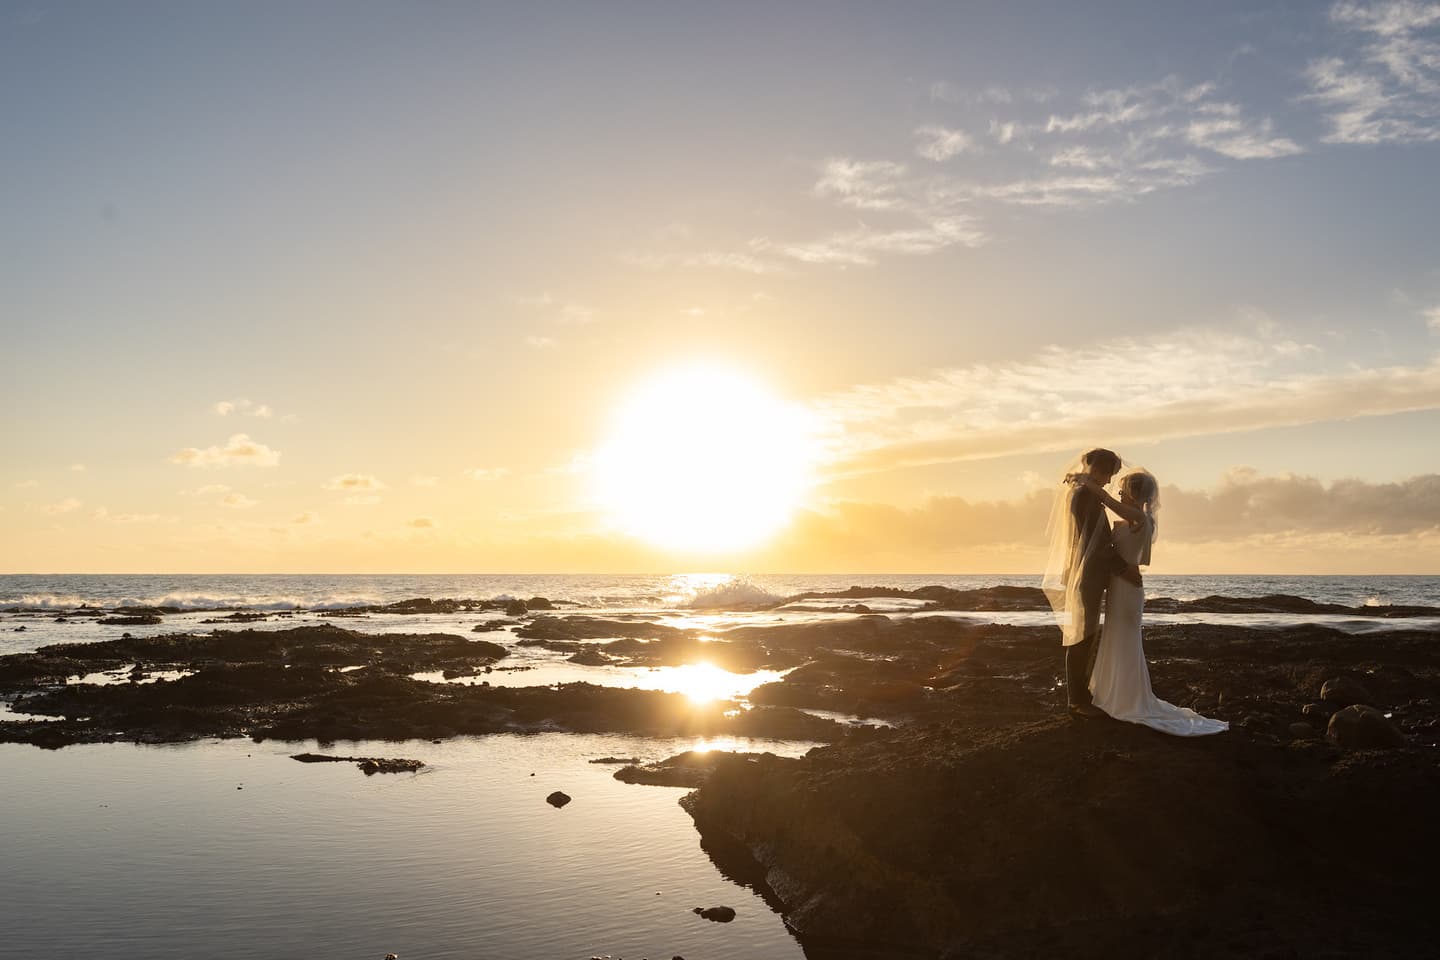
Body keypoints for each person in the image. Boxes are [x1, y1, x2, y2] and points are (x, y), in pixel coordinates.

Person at [1074, 468, 1228, 736]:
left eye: (1123, 490)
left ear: (1134, 494)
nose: (1118, 493)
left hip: (1127, 590)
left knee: (1125, 642)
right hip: (1120, 587)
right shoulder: (1134, 519)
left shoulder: (1140, 517)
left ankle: (1127, 700)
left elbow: (1108, 503)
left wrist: (1086, 482)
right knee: (1115, 640)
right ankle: (1112, 695)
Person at [1042, 448, 1141, 719]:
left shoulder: (1082, 492)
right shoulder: (1085, 496)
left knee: (1085, 634)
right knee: (1083, 636)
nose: (1109, 481)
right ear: (1098, 469)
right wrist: (1123, 570)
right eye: (1109, 474)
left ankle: (1081, 695)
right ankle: (1077, 700)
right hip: (1090, 574)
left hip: (1087, 572)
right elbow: (1096, 543)